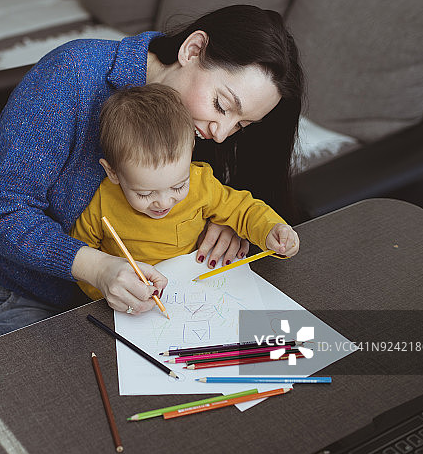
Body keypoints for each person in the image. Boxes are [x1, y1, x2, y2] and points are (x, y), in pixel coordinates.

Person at [0, 4, 305, 343]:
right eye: (221, 105)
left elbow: (217, 190)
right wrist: (97, 267)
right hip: (25, 294)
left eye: (242, 125)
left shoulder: (199, 120)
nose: (221, 134)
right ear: (192, 50)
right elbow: (0, 213)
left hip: (133, 297)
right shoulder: (71, 75)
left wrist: (224, 220)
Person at [70, 83, 300, 305]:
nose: (164, 202)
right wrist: (107, 293)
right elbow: (80, 258)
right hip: (130, 305)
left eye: (179, 186)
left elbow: (243, 210)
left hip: (198, 291)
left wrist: (272, 230)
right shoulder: (101, 202)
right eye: (145, 193)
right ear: (113, 172)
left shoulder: (201, 183)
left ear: (191, 151)